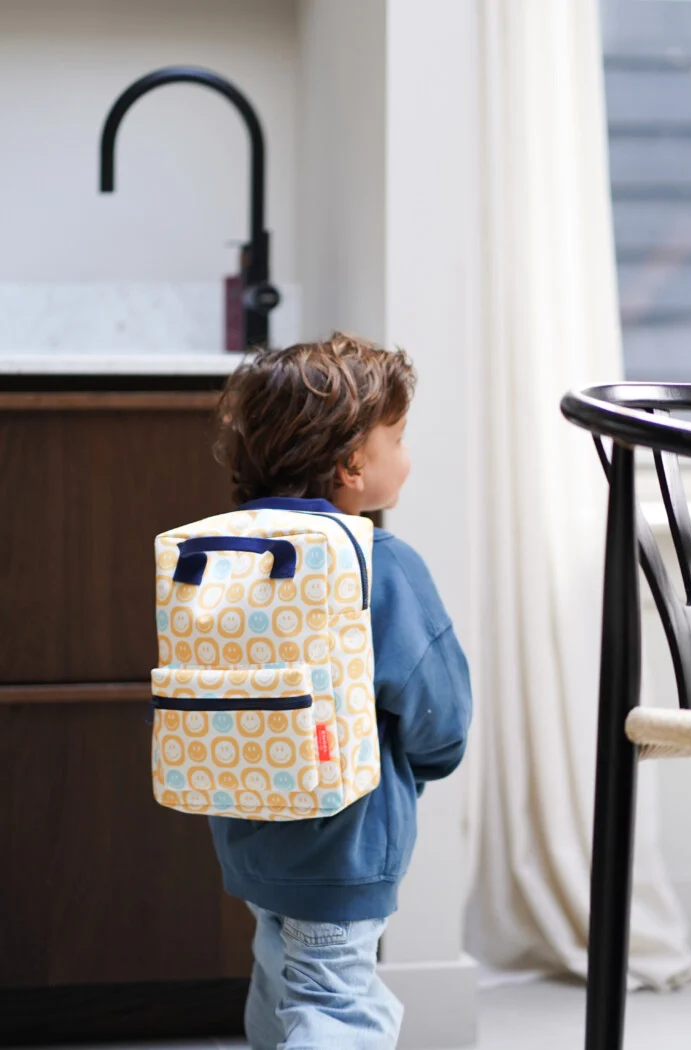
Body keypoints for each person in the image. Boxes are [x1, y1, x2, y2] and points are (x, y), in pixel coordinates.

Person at [209, 332, 473, 1050]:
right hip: (343, 847)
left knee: (280, 983)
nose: (405, 452)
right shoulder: (378, 564)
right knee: (336, 1006)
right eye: (398, 437)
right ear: (353, 463)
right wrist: (423, 766)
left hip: (249, 838)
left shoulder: (224, 559)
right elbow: (439, 713)